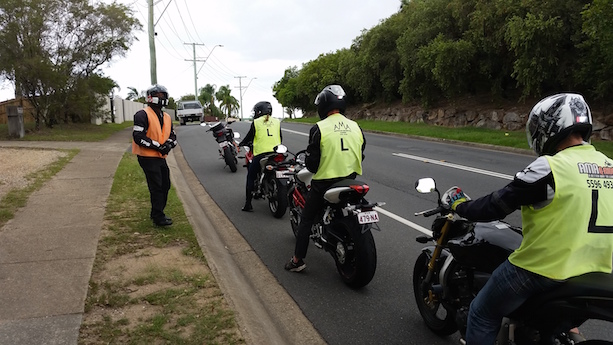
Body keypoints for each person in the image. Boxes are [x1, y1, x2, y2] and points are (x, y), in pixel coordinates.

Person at [443, 93, 613, 344]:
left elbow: (496, 205)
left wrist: (461, 205)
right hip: (596, 269)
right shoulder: (608, 165)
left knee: (481, 313)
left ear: (551, 127)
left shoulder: (550, 167)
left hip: (543, 269)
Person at [285, 85, 366, 272]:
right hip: (351, 180)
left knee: (306, 219)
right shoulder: (356, 127)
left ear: (322, 105)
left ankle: (297, 260)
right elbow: (361, 153)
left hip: (325, 183)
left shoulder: (319, 128)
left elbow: (312, 165)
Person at [132, 84, 177, 227]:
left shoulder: (167, 117)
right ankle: (158, 216)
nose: (162, 98)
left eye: (164, 96)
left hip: (160, 156)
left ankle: (156, 212)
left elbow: (172, 135)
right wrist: (158, 146)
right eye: (159, 96)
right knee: (156, 185)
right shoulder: (142, 114)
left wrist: (169, 144)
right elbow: (138, 136)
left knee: (165, 184)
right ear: (151, 98)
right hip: (147, 156)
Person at [237, 101, 282, 212]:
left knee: (251, 176)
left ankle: (248, 204)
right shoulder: (277, 121)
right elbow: (280, 137)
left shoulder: (256, 122)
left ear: (259, 112)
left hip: (261, 154)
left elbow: (249, 137)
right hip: (277, 153)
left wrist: (241, 143)